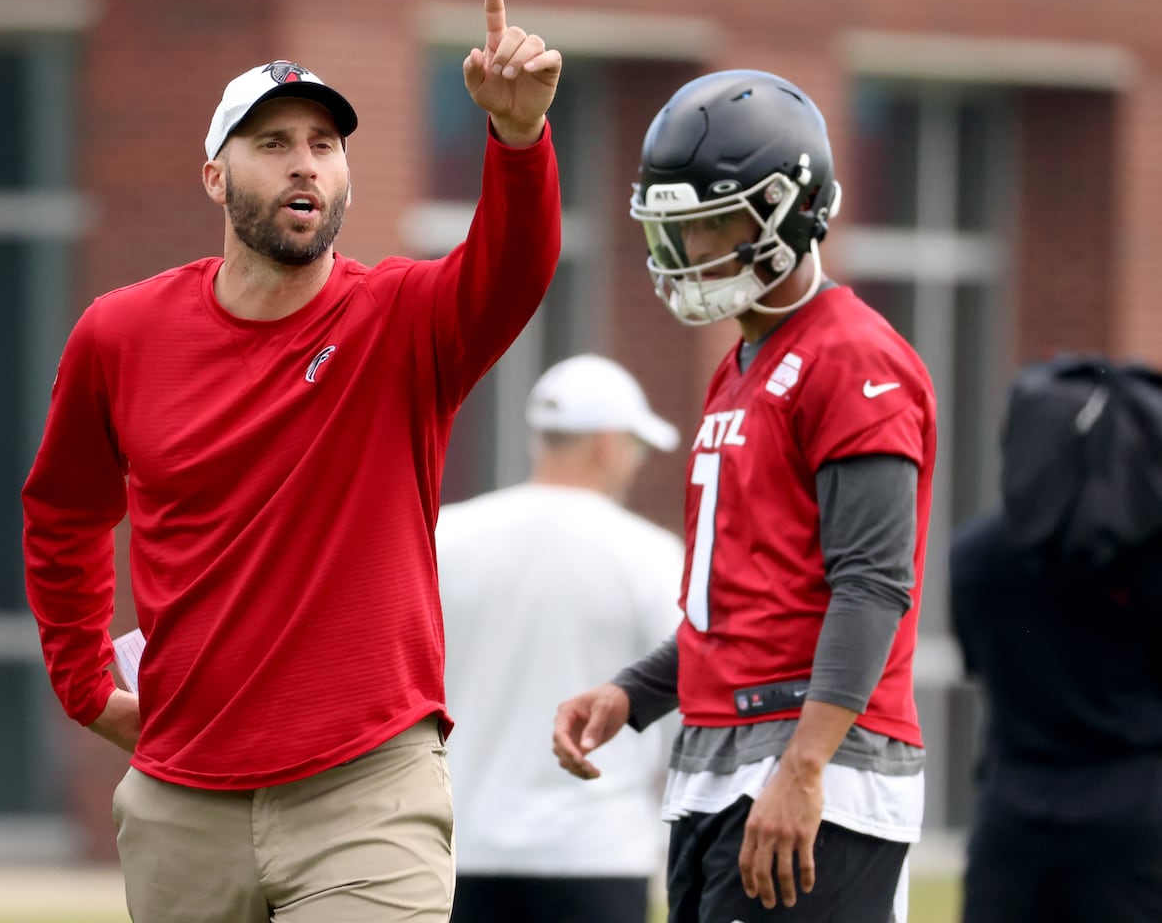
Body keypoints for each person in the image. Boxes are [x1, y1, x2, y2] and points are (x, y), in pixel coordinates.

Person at [21, 0, 563, 923]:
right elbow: (63, 511)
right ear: (215, 176)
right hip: (183, 797)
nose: (304, 165)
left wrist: (517, 139)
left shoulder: (399, 320)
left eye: (324, 145)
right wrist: (81, 681)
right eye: (271, 145)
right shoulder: (120, 334)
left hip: (367, 793)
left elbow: (512, 270)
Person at [552, 69, 937, 923]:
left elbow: (873, 583)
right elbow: (746, 597)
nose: (691, 254)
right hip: (723, 752)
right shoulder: (742, 364)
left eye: (714, 224)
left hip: (812, 759)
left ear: (792, 212)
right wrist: (636, 693)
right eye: (678, 230)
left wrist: (804, 772)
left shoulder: (854, 357)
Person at [438, 354, 686, 923]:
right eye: (636, 447)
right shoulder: (650, 556)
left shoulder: (444, 538)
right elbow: (683, 708)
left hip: (458, 848)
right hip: (598, 854)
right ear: (606, 445)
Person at [951, 355, 1162, 923]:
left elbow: (981, 664)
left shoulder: (976, 557)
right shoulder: (1148, 559)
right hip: (1138, 812)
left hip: (1014, 811)